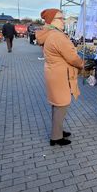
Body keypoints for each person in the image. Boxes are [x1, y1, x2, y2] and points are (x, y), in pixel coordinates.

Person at [36, 8, 84, 146]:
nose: (63, 21)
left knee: (57, 105)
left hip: (54, 73)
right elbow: (72, 57)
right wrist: (81, 64)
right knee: (61, 104)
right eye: (60, 18)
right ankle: (56, 137)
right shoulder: (57, 36)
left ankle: (58, 131)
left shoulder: (50, 33)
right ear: (51, 21)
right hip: (60, 75)